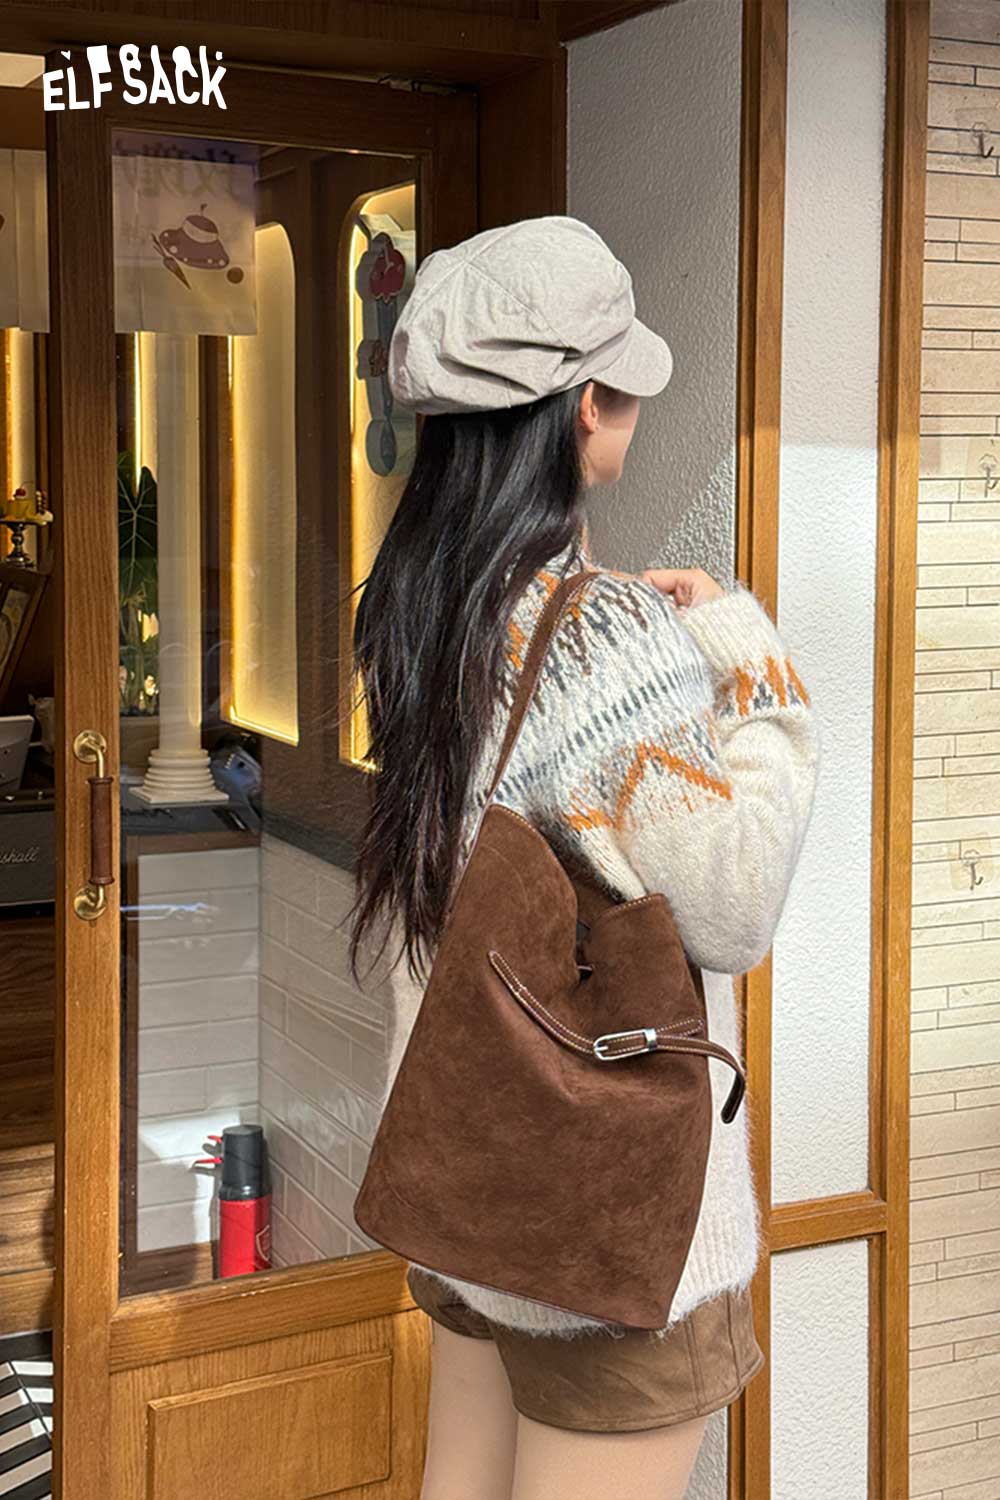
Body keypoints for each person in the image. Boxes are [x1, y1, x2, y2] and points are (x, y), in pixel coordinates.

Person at [347, 215, 820, 1500]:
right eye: (611, 388)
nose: (623, 414)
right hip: (612, 1238)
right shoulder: (610, 643)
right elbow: (728, 907)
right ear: (573, 407)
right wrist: (749, 662)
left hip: (480, 1184)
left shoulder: (417, 614)